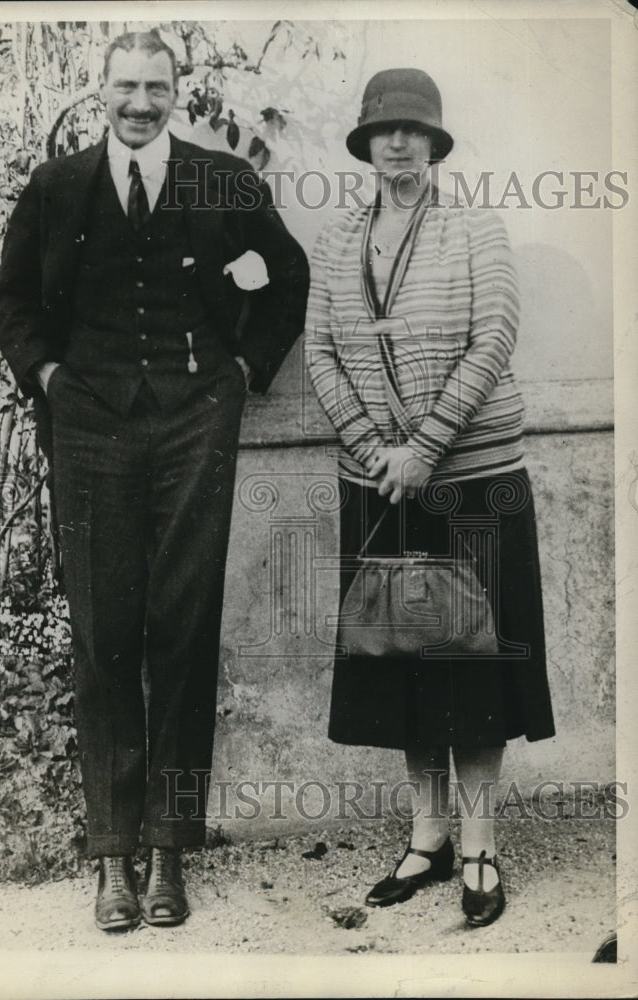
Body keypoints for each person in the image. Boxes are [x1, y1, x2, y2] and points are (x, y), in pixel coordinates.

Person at [0, 30, 309, 931]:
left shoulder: (218, 179)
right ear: (102, 92)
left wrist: (244, 372)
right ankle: (112, 859)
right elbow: (7, 298)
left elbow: (286, 274)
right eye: (125, 85)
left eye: (155, 86)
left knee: (181, 625)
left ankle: (170, 850)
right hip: (88, 428)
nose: (139, 101)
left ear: (178, 91)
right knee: (102, 634)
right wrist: (49, 378)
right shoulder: (57, 189)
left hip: (192, 424)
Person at [305, 68, 555, 926]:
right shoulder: (338, 240)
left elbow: (494, 337)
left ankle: (480, 842)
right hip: (377, 482)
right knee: (402, 657)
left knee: (472, 659)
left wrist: (426, 445)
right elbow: (320, 354)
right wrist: (378, 449)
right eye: (384, 131)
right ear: (366, 144)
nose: (399, 143)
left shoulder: (474, 226)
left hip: (472, 478)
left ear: (436, 142)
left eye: (414, 130)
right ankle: (427, 835)